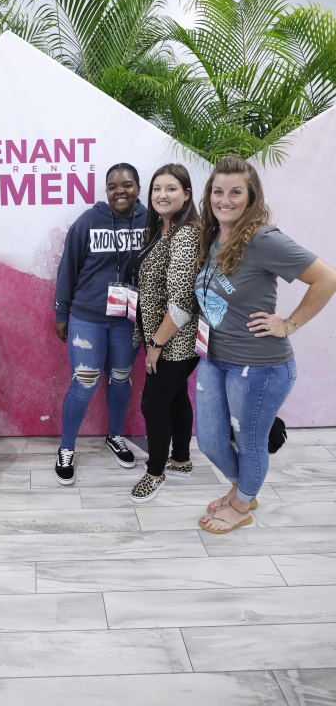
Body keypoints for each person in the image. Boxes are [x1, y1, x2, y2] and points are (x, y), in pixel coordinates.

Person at [195, 156, 336, 533]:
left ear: (251, 197)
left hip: (258, 366)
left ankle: (242, 504)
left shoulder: (263, 239)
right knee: (210, 440)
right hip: (214, 357)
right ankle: (242, 488)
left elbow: (327, 278)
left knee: (250, 441)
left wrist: (289, 324)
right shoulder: (214, 234)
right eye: (218, 191)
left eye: (235, 192)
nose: (225, 200)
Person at [53, 163, 147, 485]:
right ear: (106, 190)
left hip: (127, 319)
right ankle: (67, 448)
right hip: (88, 317)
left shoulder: (150, 222)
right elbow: (68, 268)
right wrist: (61, 312)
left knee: (120, 378)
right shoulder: (88, 221)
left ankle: (114, 435)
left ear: (138, 188)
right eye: (112, 186)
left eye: (127, 184)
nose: (120, 191)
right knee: (84, 382)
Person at [128, 164, 201, 502]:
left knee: (153, 404)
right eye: (157, 188)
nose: (162, 194)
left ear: (186, 194)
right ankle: (181, 459)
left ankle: (155, 472)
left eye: (171, 188)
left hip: (175, 342)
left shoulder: (186, 234)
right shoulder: (162, 228)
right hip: (162, 337)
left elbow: (182, 303)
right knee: (176, 396)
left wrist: (156, 343)